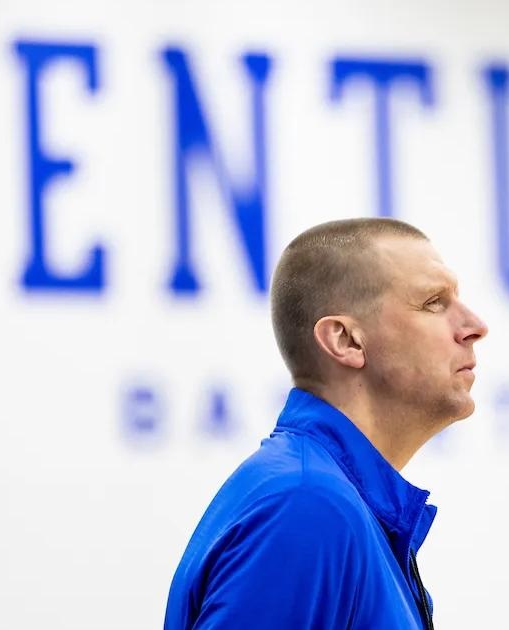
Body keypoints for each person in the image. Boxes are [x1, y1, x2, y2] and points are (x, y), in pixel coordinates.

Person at [164, 218, 489, 629]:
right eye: (433, 302)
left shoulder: (329, 503)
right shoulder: (307, 508)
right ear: (345, 341)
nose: (475, 327)